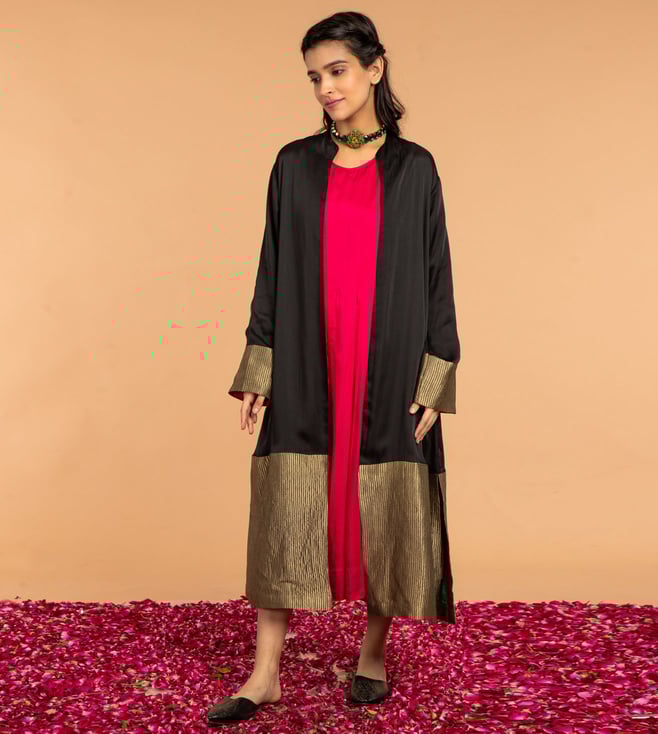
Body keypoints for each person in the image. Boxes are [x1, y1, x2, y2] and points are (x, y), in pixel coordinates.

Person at [208, 11, 461, 726]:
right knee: (286, 498)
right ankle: (265, 674)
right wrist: (259, 364)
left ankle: (372, 654)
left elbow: (437, 275)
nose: (326, 87)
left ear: (374, 69)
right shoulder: (293, 165)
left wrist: (437, 374)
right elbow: (271, 268)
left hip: (390, 357)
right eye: (314, 76)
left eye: (338, 70)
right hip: (306, 357)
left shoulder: (415, 169)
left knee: (388, 500)